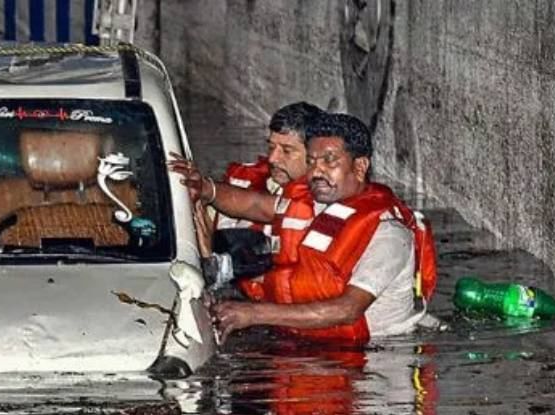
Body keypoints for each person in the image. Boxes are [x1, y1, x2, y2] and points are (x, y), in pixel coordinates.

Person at [170, 112, 437, 346]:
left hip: (376, 356)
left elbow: (347, 309)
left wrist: (251, 314)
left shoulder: (389, 233)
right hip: (309, 342)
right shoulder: (312, 202)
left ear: (359, 166)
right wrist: (205, 188)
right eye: (311, 162)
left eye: (329, 161)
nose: (316, 173)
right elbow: (254, 204)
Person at [211, 101, 324, 236]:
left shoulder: (325, 199)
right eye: (271, 147)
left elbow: (258, 206)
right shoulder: (241, 179)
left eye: (286, 151)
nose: (272, 158)